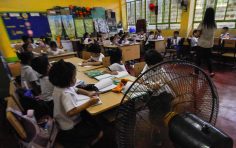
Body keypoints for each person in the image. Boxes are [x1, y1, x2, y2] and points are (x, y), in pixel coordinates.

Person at [49, 60, 103, 147]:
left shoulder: (60, 86)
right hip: (70, 126)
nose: (75, 79)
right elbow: (71, 112)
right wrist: (90, 102)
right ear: (66, 80)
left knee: (90, 120)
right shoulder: (65, 94)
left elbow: (76, 89)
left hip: (61, 121)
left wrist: (88, 93)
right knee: (100, 132)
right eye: (74, 77)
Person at [195, 7, 217, 77]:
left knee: (198, 59)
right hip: (209, 45)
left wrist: (195, 35)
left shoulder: (203, 23)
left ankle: (196, 73)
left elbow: (197, 35)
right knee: (208, 59)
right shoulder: (214, 24)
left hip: (201, 44)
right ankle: (211, 72)